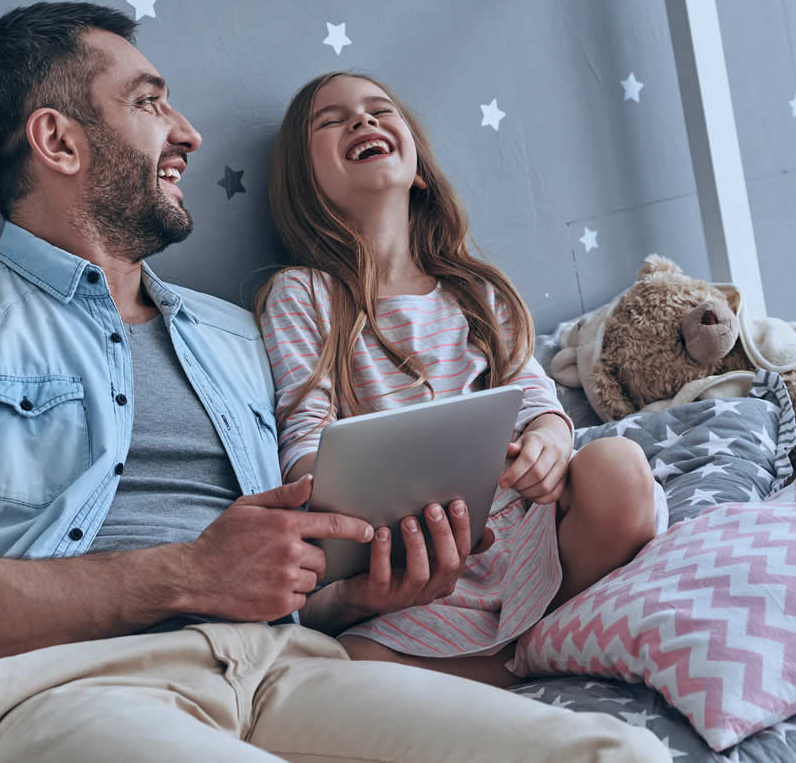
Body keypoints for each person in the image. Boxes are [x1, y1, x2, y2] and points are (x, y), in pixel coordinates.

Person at [0, 3, 670, 763]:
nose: (188, 132)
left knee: (614, 752)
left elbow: (288, 583)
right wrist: (183, 574)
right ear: (57, 140)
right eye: (148, 102)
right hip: (54, 691)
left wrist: (361, 591)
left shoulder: (231, 334)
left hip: (283, 671)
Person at [258, 72, 670, 687]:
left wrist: (550, 441)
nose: (363, 122)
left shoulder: (472, 289)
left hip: (523, 530)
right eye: (333, 120)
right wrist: (335, 494)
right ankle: (521, 657)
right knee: (356, 668)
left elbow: (533, 392)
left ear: (418, 169)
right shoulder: (303, 294)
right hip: (414, 558)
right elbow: (304, 426)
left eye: (378, 111)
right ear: (306, 184)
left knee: (620, 467)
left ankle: (534, 637)